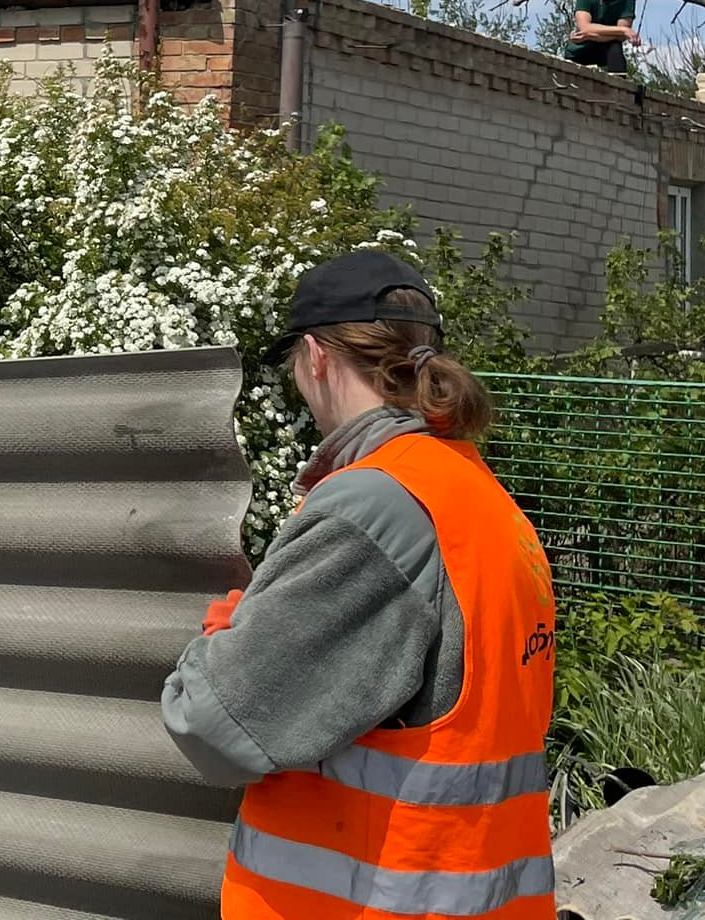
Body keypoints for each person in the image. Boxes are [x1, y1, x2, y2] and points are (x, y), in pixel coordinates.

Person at [161, 250, 556, 920]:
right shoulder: (479, 497)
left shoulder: (373, 509)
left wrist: (225, 638)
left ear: (316, 356)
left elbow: (211, 723)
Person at [564, 0, 640, 73]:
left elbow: (620, 37)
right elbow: (585, 27)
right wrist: (623, 30)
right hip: (582, 47)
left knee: (615, 48)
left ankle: (618, 85)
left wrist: (589, 35)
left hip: (607, 48)